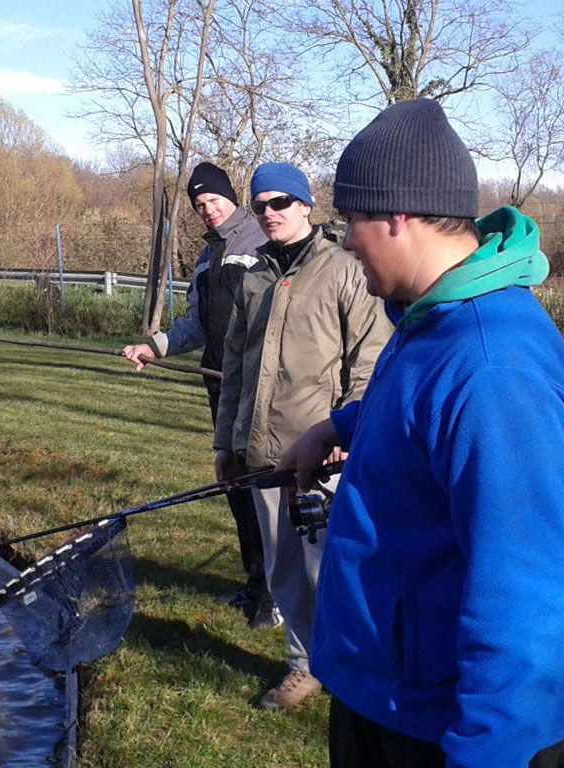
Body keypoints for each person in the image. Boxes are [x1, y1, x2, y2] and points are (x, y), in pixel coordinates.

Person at [277, 99, 564, 767]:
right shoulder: (432, 321)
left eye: (348, 222)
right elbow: (422, 412)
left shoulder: (491, 366)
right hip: (383, 698)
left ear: (394, 216)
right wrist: (338, 424)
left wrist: (487, 754)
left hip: (442, 731)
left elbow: (526, 596)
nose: (343, 241)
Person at [213, 161, 391, 711]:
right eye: (260, 205)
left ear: (305, 206)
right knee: (285, 567)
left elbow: (370, 358)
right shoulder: (253, 277)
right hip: (264, 451)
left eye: (280, 203)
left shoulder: (345, 269)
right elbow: (234, 368)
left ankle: (360, 662)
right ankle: (304, 665)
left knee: (337, 567)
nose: (269, 213)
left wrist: (345, 428)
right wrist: (226, 443)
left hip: (326, 453)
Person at [121, 161, 278, 629]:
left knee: (263, 489)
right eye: (199, 204)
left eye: (213, 199)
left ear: (231, 197)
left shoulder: (261, 247)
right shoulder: (207, 259)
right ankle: (255, 581)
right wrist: (153, 348)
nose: (208, 210)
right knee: (234, 487)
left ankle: (275, 592)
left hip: (259, 391)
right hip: (220, 386)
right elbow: (194, 326)